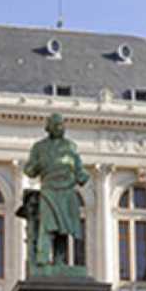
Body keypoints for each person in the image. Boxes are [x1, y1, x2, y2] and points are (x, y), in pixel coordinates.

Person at [24, 113, 89, 266]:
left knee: (63, 229)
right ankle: (42, 259)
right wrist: (39, 164)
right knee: (47, 226)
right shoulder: (39, 147)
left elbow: (78, 167)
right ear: (49, 128)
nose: (61, 128)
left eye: (62, 125)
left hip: (67, 190)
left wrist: (82, 175)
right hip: (49, 190)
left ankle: (60, 261)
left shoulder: (70, 146)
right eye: (57, 125)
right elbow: (29, 170)